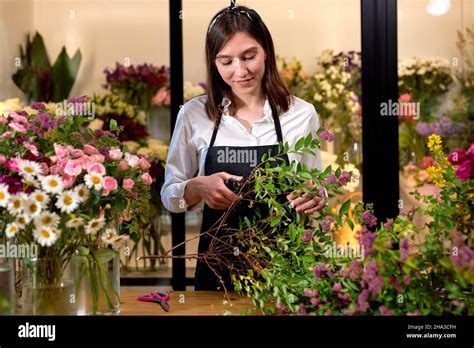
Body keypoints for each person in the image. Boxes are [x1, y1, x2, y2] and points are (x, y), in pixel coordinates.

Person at [161, 1, 326, 291]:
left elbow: (315, 186)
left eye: (249, 56)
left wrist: (317, 196)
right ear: (214, 63)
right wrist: (197, 188)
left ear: (266, 52)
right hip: (217, 270)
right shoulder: (194, 115)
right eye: (226, 62)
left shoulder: (301, 114)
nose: (240, 71)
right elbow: (168, 195)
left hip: (286, 272)